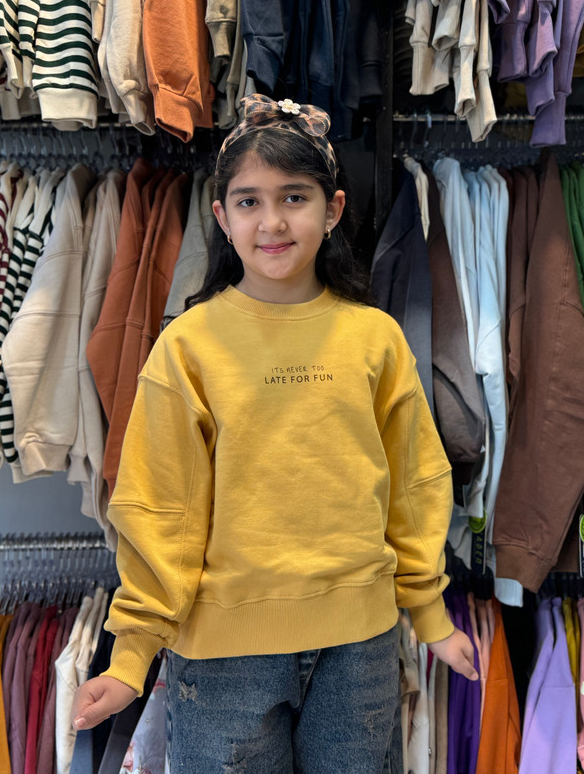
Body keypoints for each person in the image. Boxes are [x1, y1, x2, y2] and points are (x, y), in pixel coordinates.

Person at [71, 94, 477, 773]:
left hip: (360, 647)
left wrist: (430, 616)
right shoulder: (187, 346)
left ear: (333, 209)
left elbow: (415, 484)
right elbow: (158, 506)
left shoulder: (374, 338)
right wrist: (131, 656)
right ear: (221, 217)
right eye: (249, 201)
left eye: (294, 196)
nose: (273, 221)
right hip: (222, 658)